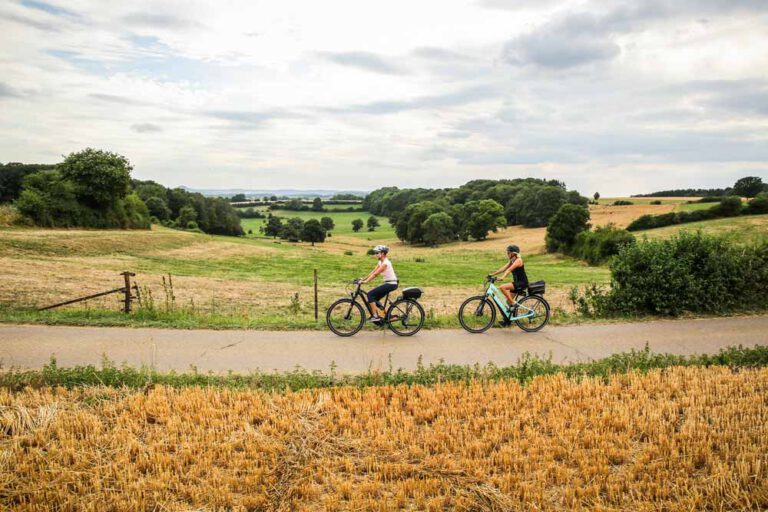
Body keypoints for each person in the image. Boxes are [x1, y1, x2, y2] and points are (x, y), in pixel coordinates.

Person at [360, 245, 398, 324]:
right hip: (389, 283)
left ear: (383, 253)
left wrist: (366, 282)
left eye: (377, 253)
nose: (376, 254)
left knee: (370, 294)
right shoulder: (380, 262)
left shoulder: (385, 263)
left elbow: (376, 274)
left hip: (391, 284)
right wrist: (363, 279)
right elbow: (373, 272)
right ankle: (387, 315)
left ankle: (375, 316)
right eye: (375, 253)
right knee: (374, 300)